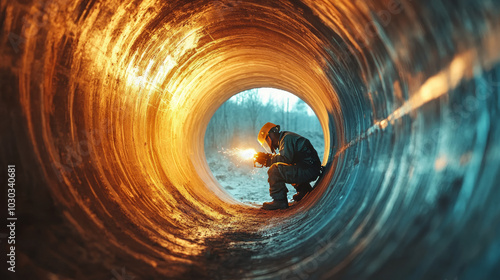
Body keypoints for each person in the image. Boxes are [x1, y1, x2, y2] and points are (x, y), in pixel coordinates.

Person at [255, 122, 322, 210]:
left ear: (271, 134)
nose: (268, 144)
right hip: (309, 168)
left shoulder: (286, 138)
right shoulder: (286, 137)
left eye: (267, 140)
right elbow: (287, 159)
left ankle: (279, 201)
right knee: (287, 166)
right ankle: (304, 190)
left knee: (275, 170)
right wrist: (268, 158)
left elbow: (284, 159)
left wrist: (268, 159)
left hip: (308, 170)